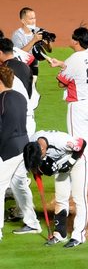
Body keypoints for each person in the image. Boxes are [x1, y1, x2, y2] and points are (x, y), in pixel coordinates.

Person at [48, 27, 88, 187]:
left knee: (76, 142)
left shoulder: (74, 59)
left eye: (72, 37)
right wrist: (62, 64)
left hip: (79, 106)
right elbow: (76, 69)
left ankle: (80, 176)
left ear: (76, 41)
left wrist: (62, 67)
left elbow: (61, 83)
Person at [24, 130, 88, 247]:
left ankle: (78, 236)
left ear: (42, 149)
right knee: (60, 198)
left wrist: (70, 162)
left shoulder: (61, 142)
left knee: (79, 197)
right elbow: (35, 162)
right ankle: (60, 234)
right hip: (60, 163)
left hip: (79, 159)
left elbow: (82, 143)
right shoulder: (33, 143)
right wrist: (38, 169)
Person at [0, 66, 41, 239]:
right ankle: (32, 223)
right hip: (23, 146)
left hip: (8, 149)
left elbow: (4, 130)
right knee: (19, 185)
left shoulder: (2, 100)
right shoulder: (20, 97)